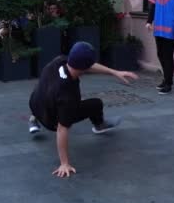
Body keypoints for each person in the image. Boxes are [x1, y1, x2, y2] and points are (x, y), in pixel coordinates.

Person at [28, 42, 139, 178]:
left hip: (35, 104)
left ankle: (33, 119)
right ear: (84, 68)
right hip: (50, 120)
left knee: (48, 91)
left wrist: (113, 72)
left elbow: (88, 65)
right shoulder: (68, 95)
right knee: (95, 104)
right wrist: (64, 163)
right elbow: (62, 130)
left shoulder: (59, 61)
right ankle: (99, 125)